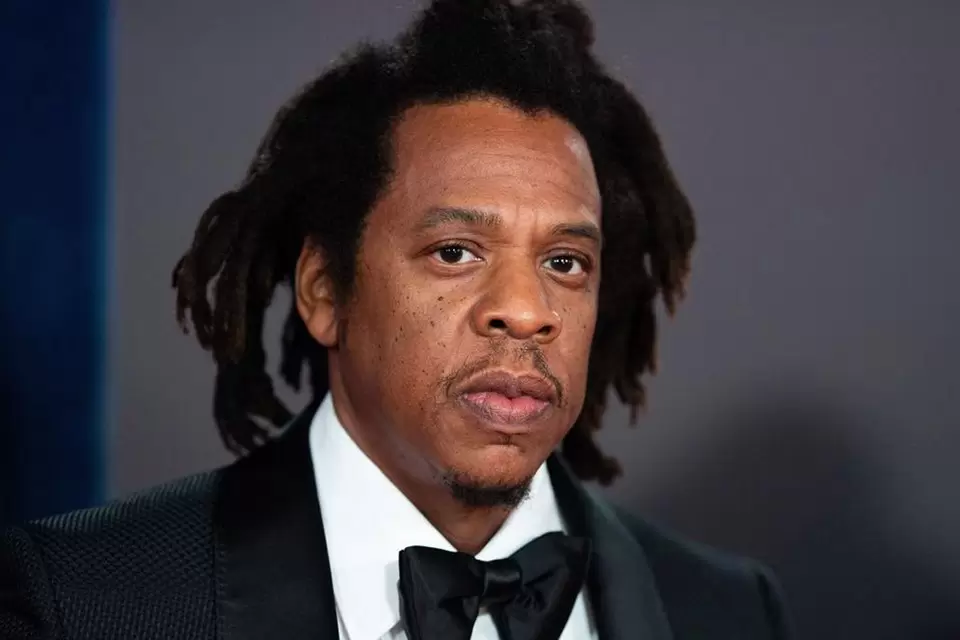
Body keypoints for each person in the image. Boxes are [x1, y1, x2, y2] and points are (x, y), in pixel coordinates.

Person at [1, 1, 793, 638]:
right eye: (455, 252)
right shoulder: (85, 601)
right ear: (324, 291)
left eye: (564, 262)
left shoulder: (729, 612)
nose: (526, 311)